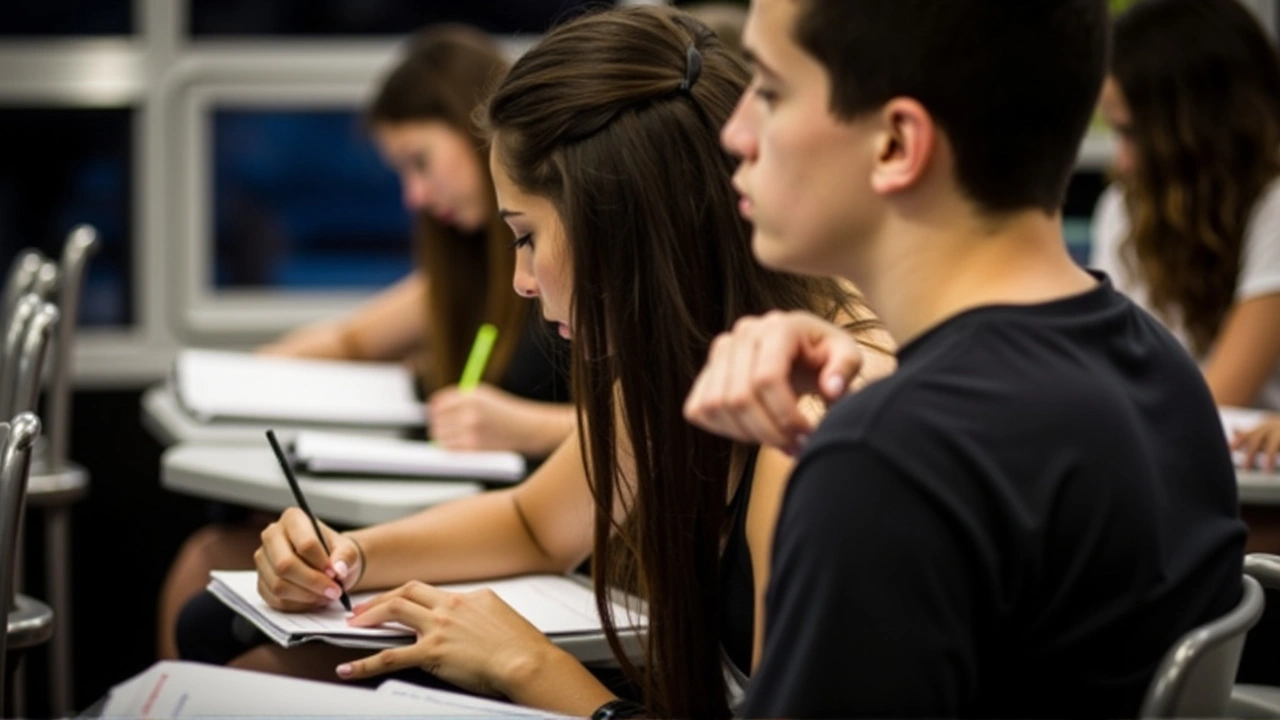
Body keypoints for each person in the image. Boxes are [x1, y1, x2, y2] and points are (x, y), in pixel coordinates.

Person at [175, 7, 893, 718]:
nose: (522, 280)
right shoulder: (694, 352)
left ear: (620, 227)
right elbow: (534, 523)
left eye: (526, 237)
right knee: (225, 630)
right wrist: (345, 558)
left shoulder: (808, 415)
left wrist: (526, 664)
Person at [682, 0, 1246, 716]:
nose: (735, 133)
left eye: (769, 91)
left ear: (895, 143)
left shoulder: (892, 459)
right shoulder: (1158, 369)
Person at [156, 25, 575, 660]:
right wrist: (234, 381)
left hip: (536, 540)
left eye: (421, 162)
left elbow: (610, 455)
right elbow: (353, 337)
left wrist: (527, 425)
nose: (413, 194)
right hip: (490, 517)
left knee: (246, 620)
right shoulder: (465, 264)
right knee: (207, 565)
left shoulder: (576, 278)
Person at [1091, 0, 1280, 410]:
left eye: (1133, 132)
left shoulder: (1274, 205)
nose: (1123, 161)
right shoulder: (1124, 207)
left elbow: (1216, 403)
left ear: (1197, 128)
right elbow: (1111, 375)